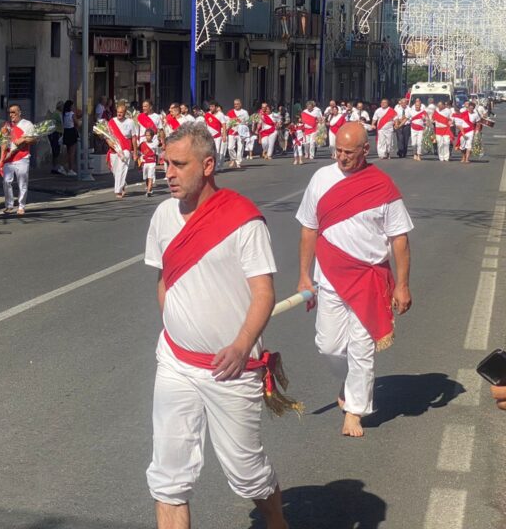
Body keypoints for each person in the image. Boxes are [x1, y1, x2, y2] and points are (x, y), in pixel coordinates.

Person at [144, 123, 288, 529]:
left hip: (231, 368)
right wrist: (176, 325)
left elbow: (264, 293)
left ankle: (277, 519)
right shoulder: (162, 215)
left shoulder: (244, 221)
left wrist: (243, 345)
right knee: (168, 475)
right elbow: (164, 281)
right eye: (165, 163)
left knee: (246, 473)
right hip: (175, 362)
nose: (167, 173)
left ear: (207, 165)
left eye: (178, 164)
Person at [296, 122, 413, 437]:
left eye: (349, 152)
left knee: (361, 348)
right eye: (338, 151)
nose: (342, 157)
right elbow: (308, 228)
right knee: (329, 346)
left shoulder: (383, 186)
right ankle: (349, 382)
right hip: (330, 278)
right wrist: (304, 276)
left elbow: (399, 238)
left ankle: (354, 410)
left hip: (369, 279)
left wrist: (402, 284)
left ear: (366, 150)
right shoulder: (321, 178)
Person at [0, 105, 37, 216]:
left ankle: (21, 206)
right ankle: (9, 205)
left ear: (19, 112)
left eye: (13, 112)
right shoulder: (6, 125)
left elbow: (34, 139)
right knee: (6, 181)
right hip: (9, 158)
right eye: (9, 112)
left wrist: (24, 139)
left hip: (22, 157)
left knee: (22, 182)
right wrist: (2, 157)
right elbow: (3, 142)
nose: (11, 114)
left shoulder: (27, 124)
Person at [107, 100, 137, 198]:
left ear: (125, 113)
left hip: (125, 148)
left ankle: (118, 191)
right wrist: (110, 143)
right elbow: (107, 136)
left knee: (122, 168)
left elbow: (133, 137)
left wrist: (135, 152)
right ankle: (122, 184)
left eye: (121, 112)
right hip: (114, 149)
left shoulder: (130, 122)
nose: (119, 114)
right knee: (115, 170)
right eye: (118, 112)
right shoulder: (112, 121)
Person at [138, 129, 160, 197]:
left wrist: (157, 161)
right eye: (146, 135)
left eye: (149, 135)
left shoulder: (155, 144)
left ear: (152, 136)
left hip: (152, 162)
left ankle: (148, 191)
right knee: (146, 177)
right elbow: (139, 153)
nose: (147, 137)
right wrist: (139, 161)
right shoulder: (142, 144)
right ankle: (149, 188)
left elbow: (156, 153)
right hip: (145, 162)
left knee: (150, 176)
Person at [62, 100, 79, 177]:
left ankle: (67, 167)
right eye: (72, 106)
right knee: (72, 152)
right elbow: (76, 123)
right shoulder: (72, 114)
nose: (73, 107)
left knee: (68, 151)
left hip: (66, 132)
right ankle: (71, 169)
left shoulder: (64, 114)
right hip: (72, 132)